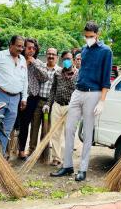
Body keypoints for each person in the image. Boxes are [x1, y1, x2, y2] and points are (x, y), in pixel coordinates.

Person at [51, 21, 112, 181]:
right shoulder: (84, 50)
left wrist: (102, 101)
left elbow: (106, 79)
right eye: (86, 36)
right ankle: (67, 166)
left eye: (91, 36)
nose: (88, 39)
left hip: (94, 93)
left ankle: (83, 169)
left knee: (86, 132)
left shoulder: (106, 51)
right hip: (78, 91)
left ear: (97, 34)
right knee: (69, 129)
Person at [0, 35, 28, 155]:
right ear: (10, 44)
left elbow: (25, 80)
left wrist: (24, 98)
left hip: (15, 99)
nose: (21, 49)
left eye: (22, 47)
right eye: (18, 46)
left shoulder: (22, 59)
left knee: (6, 129)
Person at [43, 50, 78, 166]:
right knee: (55, 134)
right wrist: (48, 104)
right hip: (57, 106)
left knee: (68, 134)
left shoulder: (78, 75)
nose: (67, 61)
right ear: (62, 61)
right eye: (65, 59)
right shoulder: (57, 73)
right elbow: (52, 90)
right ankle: (56, 158)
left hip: (70, 108)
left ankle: (67, 159)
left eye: (69, 59)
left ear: (73, 60)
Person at [18, 38, 49, 159]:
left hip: (32, 99)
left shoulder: (39, 63)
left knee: (26, 124)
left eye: (34, 48)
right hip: (17, 96)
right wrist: (25, 64)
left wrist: (34, 63)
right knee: (16, 125)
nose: (31, 50)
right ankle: (10, 149)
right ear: (24, 48)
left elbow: (44, 78)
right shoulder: (18, 60)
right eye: (29, 47)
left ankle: (22, 151)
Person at [29, 48, 61, 156]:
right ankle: (32, 151)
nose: (51, 56)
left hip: (50, 105)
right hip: (38, 102)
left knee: (46, 129)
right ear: (46, 55)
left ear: (57, 56)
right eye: (49, 54)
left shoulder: (59, 71)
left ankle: (43, 154)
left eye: (53, 54)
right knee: (34, 127)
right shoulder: (40, 67)